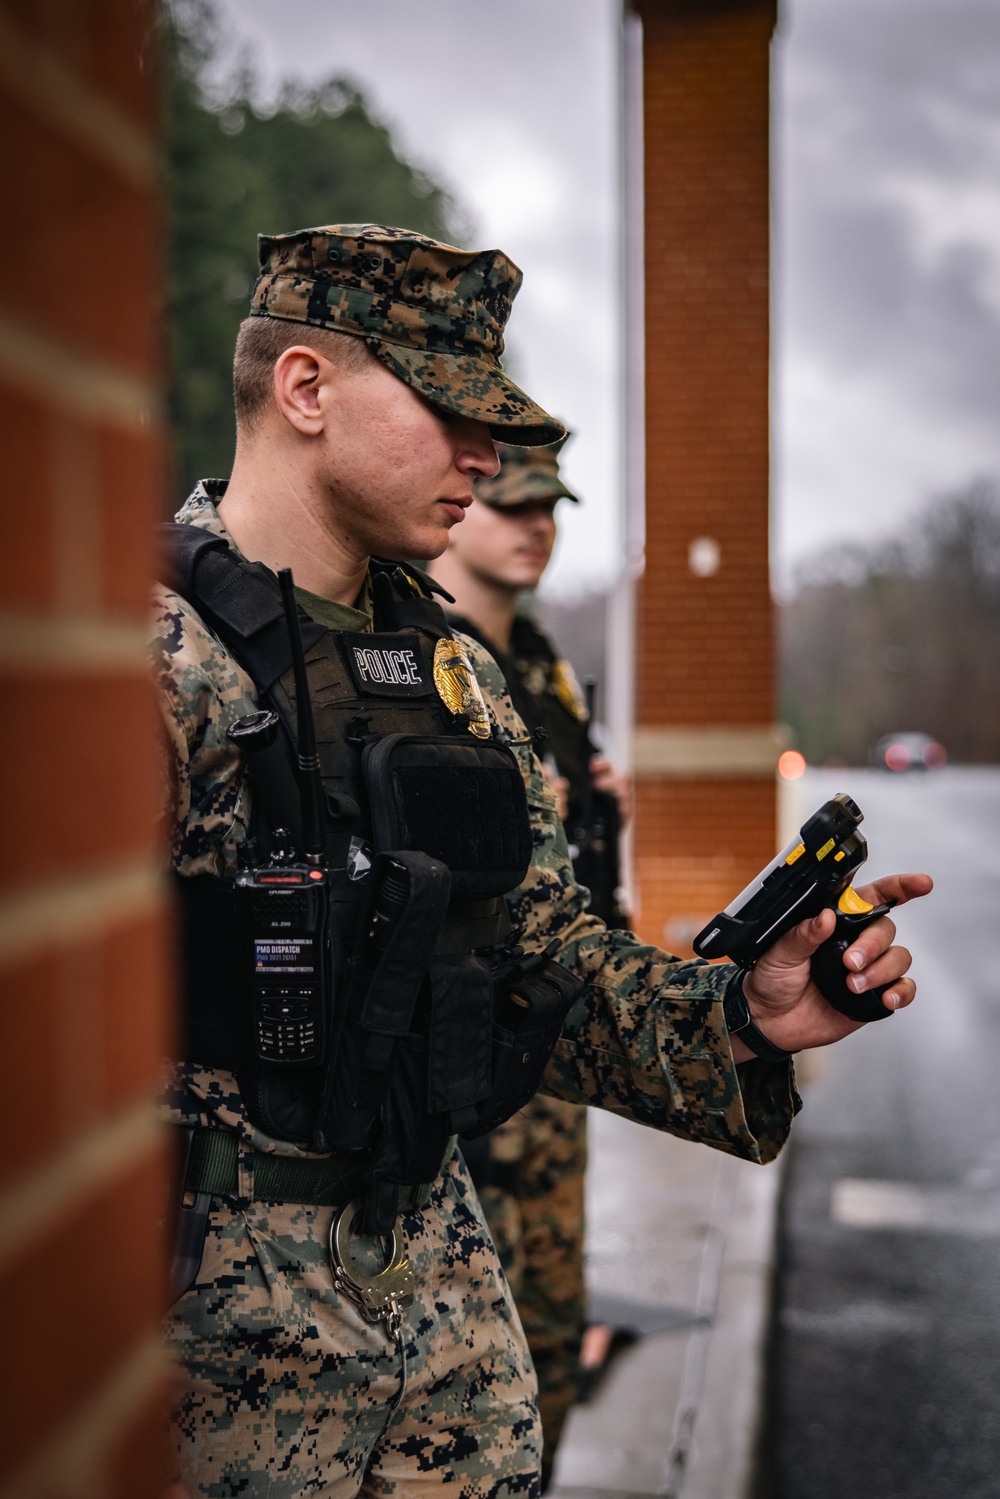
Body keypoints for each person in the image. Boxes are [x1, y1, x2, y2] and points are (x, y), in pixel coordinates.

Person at [153, 222, 929, 1499]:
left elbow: (542, 961)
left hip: (446, 1318)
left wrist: (743, 1015)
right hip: (213, 1342)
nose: (486, 455)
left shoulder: (458, 675)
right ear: (303, 388)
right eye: (448, 409)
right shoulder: (145, 661)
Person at [429, 437, 628, 1482]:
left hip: (561, 1014)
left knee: (551, 1302)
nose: (535, 525)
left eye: (549, 508)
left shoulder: (540, 662)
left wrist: (595, 803)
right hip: (479, 1036)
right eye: (514, 505)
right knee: (481, 1324)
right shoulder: (429, 656)